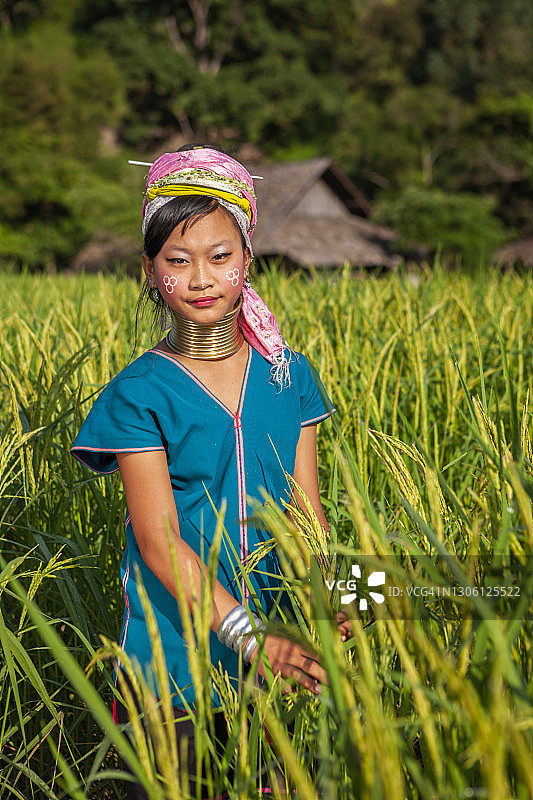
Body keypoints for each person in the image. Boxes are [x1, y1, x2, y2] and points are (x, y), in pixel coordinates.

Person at [71, 145, 341, 798]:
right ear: (149, 268)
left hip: (283, 656)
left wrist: (340, 600)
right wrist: (255, 642)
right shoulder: (139, 392)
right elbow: (159, 542)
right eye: (177, 260)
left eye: (220, 257)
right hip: (173, 667)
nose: (200, 279)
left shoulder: (289, 375)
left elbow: (308, 508)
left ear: (247, 260)